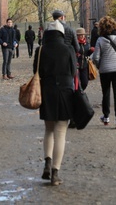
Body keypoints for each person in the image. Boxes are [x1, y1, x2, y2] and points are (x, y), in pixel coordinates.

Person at [34, 20, 76, 186]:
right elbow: (73, 71)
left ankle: (47, 162)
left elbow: (36, 72)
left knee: (48, 129)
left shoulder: (41, 50)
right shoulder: (68, 49)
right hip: (65, 91)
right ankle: (55, 173)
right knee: (61, 132)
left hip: (47, 91)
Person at [92, 15, 116, 130]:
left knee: (106, 93)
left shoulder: (100, 40)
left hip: (105, 70)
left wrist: (99, 66)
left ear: (102, 28)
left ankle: (106, 117)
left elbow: (96, 57)